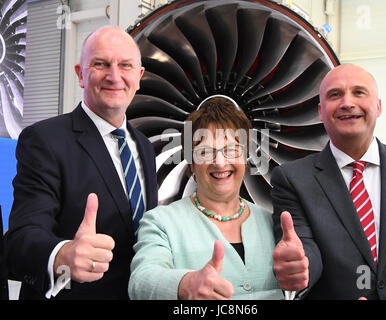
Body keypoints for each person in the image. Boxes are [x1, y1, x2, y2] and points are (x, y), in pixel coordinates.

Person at [5, 26, 158, 299]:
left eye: (125, 65)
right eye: (101, 64)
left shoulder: (144, 147)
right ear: (80, 75)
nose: (114, 76)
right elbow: (21, 239)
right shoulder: (44, 140)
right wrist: (62, 255)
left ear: (139, 76)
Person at [271, 63, 386, 300]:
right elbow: (304, 248)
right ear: (320, 111)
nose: (347, 103)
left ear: (378, 106)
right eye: (335, 95)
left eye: (359, 92)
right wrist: (300, 267)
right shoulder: (292, 179)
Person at [128, 97, 283, 300]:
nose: (220, 163)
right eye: (205, 152)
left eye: (231, 150)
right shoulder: (160, 222)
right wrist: (184, 285)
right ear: (191, 164)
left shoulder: (271, 222)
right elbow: (141, 280)